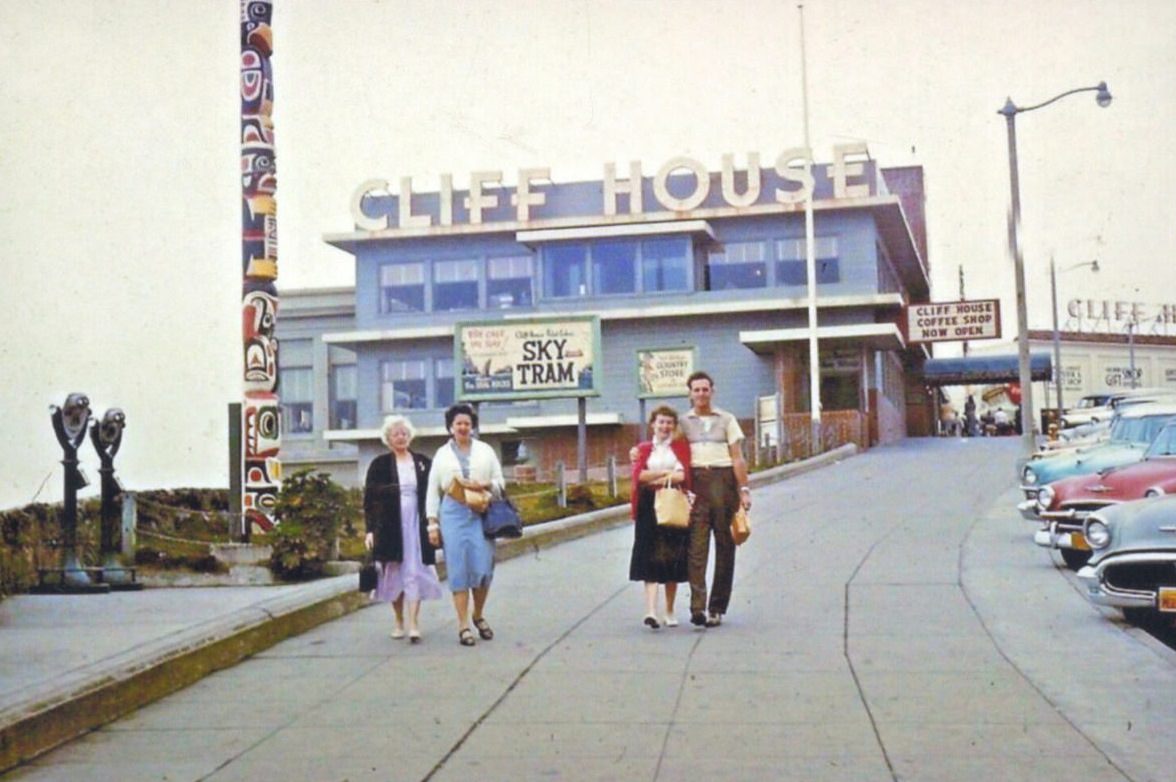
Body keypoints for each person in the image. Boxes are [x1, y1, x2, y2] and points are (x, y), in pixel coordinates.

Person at [425, 403, 505, 647]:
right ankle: (463, 625)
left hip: (481, 511)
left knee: (483, 568)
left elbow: (501, 483)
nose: (462, 427)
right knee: (458, 569)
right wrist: (432, 524)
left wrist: (485, 484)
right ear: (451, 427)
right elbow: (432, 490)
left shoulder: (485, 451)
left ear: (473, 426)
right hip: (453, 514)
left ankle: (478, 615)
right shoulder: (442, 454)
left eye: (467, 424)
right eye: (458, 423)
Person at [679, 371, 751, 628]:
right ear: (689, 393)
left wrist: (744, 489)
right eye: (696, 390)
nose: (701, 394)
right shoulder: (682, 422)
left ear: (712, 391)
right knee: (696, 548)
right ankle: (697, 606)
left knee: (724, 545)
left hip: (723, 483)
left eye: (705, 389)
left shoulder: (727, 419)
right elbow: (667, 448)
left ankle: (716, 608)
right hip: (697, 484)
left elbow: (737, 456)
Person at [363, 415, 443, 643]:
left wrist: (433, 523)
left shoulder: (422, 462)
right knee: (394, 571)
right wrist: (370, 530)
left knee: (415, 570)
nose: (401, 437)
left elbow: (434, 493)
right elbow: (369, 500)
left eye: (404, 433)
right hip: (390, 526)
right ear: (388, 438)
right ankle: (399, 621)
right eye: (396, 434)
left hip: (416, 525)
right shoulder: (379, 465)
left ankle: (414, 623)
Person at [629, 405, 693, 629]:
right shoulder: (644, 449)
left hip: (672, 503)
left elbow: (682, 475)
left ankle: (670, 610)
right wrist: (665, 474)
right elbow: (639, 476)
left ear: (674, 426)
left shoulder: (680, 449)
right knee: (649, 554)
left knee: (672, 555)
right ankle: (650, 611)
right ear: (653, 425)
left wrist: (657, 478)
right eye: (661, 422)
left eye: (669, 423)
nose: (664, 426)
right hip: (648, 505)